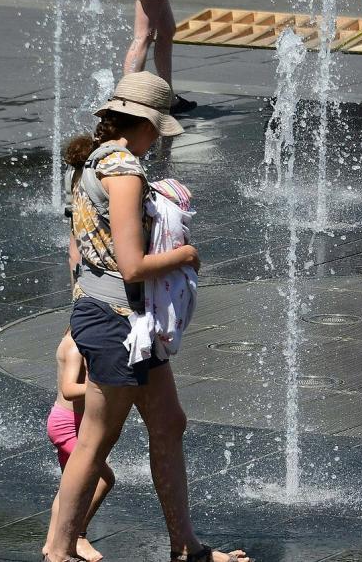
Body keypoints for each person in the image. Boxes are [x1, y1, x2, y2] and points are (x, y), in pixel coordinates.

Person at [46, 71, 248, 562]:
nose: (159, 137)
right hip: (118, 320)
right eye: (158, 128)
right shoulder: (124, 170)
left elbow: (77, 253)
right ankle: (57, 549)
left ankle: (186, 547)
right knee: (95, 438)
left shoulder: (91, 161)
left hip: (116, 316)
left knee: (168, 421)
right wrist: (185, 255)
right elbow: (135, 263)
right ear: (144, 124)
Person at [43, 334, 115, 562]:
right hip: (67, 425)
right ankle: (77, 536)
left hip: (74, 422)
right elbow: (68, 389)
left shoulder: (79, 340)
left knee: (69, 487)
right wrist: (105, 385)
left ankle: (51, 544)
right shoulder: (75, 345)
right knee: (104, 479)